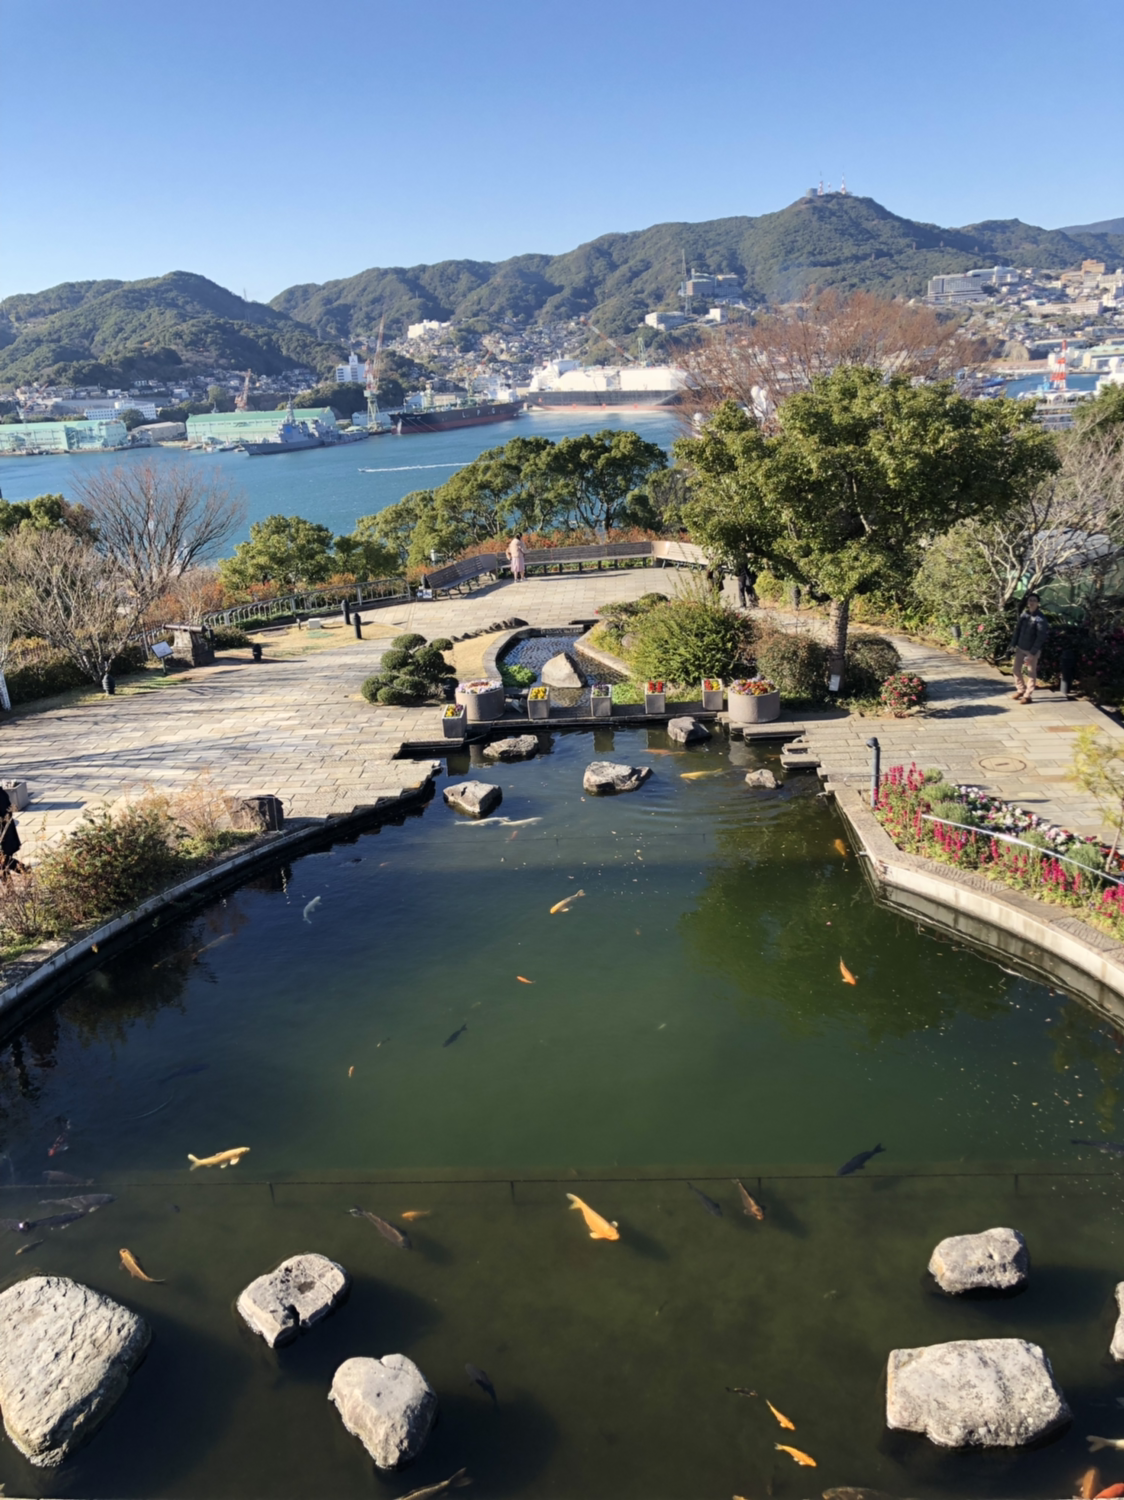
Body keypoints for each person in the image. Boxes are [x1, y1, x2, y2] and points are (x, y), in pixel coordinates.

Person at [1010, 593, 1049, 704]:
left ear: (1038, 603)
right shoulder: (1024, 615)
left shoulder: (1040, 618)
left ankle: (1028, 696)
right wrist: (1013, 644)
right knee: (1016, 670)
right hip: (1020, 648)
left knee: (1031, 673)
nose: (1031, 602)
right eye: (1030, 600)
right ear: (1027, 602)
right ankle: (1020, 690)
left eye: (1034, 600)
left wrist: (1032, 652)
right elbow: (1017, 631)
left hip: (1031, 651)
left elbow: (1040, 637)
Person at [0, 785, 23, 876]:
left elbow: (6, 817)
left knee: (5, 861)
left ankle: (28, 872)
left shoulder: (1, 796)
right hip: (4, 836)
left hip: (4, 836)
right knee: (3, 863)